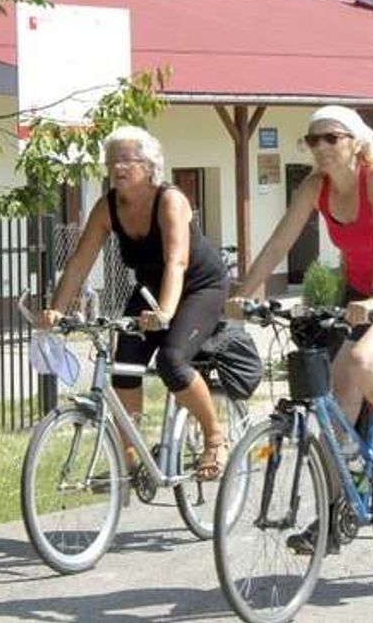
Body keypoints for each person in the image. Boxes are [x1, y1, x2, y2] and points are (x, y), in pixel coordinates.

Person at [227, 105, 373, 508]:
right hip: (362, 296)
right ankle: (341, 507)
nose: (321, 147)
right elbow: (278, 244)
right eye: (313, 139)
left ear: (356, 142)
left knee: (363, 361)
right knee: (337, 400)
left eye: (332, 137)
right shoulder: (315, 187)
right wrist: (243, 295)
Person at [38, 126, 230, 480]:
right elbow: (80, 262)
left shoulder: (169, 199)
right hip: (151, 290)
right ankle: (129, 455)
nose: (118, 168)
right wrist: (57, 309)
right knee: (124, 363)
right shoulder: (107, 206)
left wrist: (166, 313)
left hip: (199, 287)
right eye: (112, 161)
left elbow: (177, 261)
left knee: (172, 360)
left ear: (150, 165)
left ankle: (214, 436)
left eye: (127, 160)